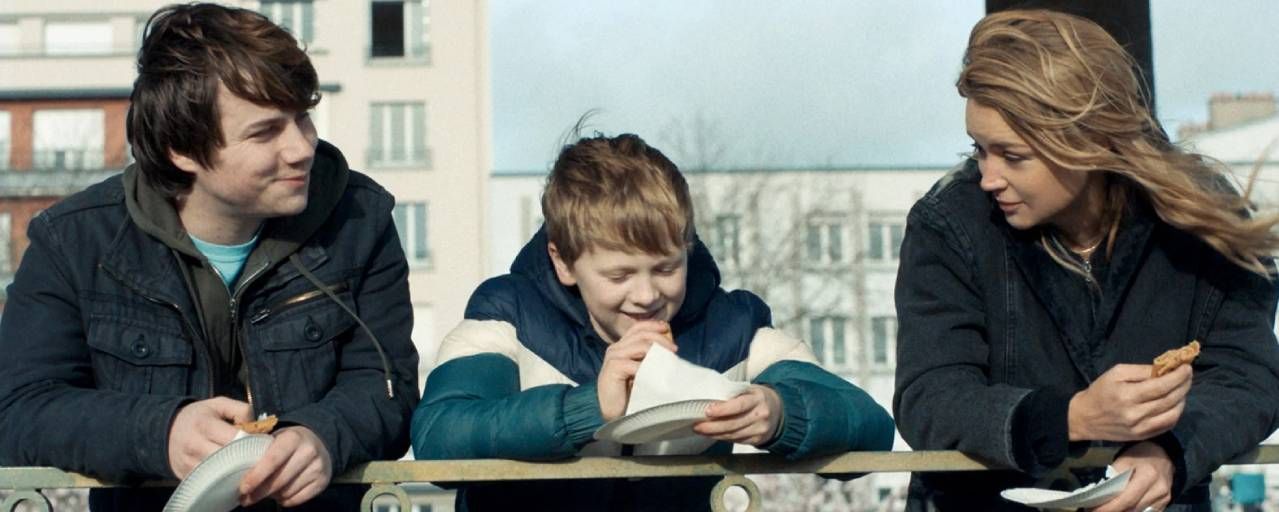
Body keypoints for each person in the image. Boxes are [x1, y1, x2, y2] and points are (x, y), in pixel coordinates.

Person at [0, 4, 419, 510]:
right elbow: (18, 411)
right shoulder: (72, 241)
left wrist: (323, 437)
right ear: (182, 149)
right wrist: (161, 432)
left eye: (302, 117)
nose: (302, 147)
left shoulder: (361, 219)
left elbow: (387, 388)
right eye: (266, 132)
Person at [893, 9, 1279, 512]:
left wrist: (1170, 451)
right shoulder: (948, 223)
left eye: (1012, 155)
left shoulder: (1199, 214)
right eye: (979, 149)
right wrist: (1071, 417)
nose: (988, 176)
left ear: (1085, 139)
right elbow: (929, 397)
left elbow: (1249, 377)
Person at [412, 132, 894, 511]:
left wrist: (782, 413)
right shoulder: (507, 314)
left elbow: (871, 427)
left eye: (666, 268)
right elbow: (438, 437)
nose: (646, 295)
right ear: (562, 262)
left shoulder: (732, 326)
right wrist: (586, 408)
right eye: (619, 274)